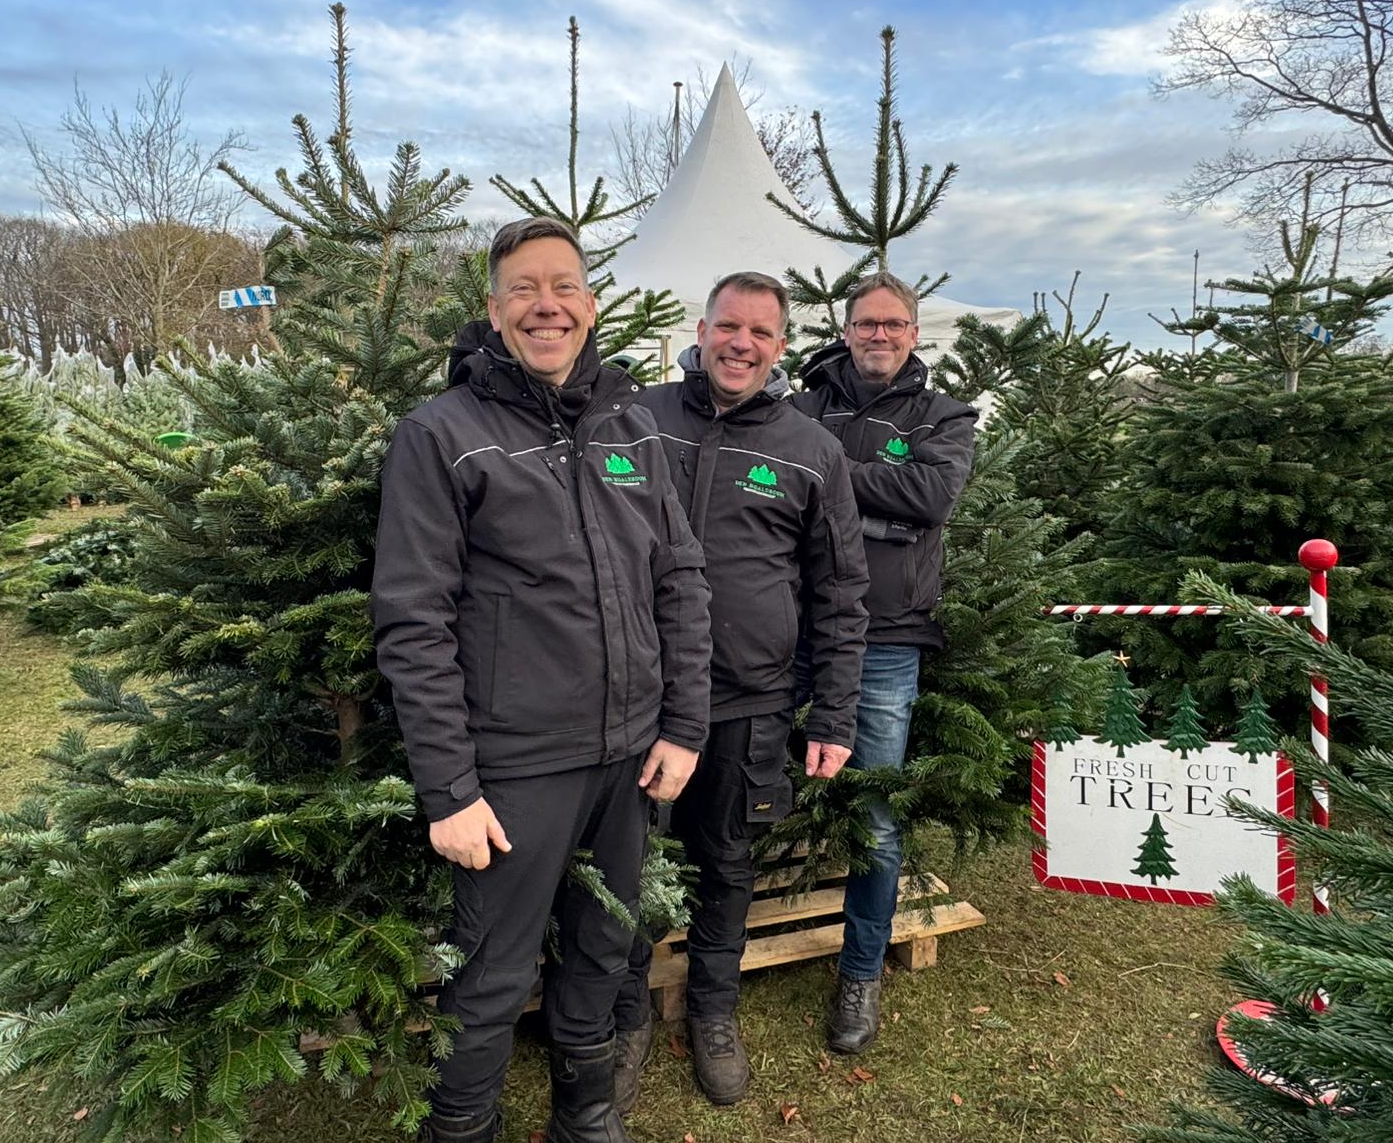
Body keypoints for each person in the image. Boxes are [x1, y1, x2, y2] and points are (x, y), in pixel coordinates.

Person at [371, 217, 714, 1143]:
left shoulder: (630, 425)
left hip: (632, 758)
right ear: (492, 309)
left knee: (603, 953)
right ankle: (461, 1129)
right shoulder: (443, 437)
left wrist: (684, 725)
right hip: (516, 766)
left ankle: (585, 1118)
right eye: (524, 289)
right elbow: (413, 619)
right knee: (488, 975)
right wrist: (449, 789)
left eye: (563, 286)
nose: (546, 305)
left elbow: (678, 578)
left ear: (590, 304)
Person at [611, 271, 869, 1109]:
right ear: (702, 327)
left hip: (747, 703)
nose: (741, 344)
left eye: (761, 332)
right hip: (633, 699)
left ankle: (714, 1011)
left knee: (725, 864)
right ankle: (626, 1013)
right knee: (625, 863)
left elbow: (839, 590)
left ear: (782, 345)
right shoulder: (637, 416)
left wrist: (831, 711)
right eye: (729, 326)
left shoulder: (810, 450)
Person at [789, 270, 978, 1055]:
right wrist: (875, 493)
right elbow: (763, 480)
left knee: (873, 811)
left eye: (893, 324)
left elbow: (931, 496)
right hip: (789, 626)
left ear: (913, 332)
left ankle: (860, 970)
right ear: (846, 327)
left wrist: (827, 476)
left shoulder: (943, 415)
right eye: (866, 323)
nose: (878, 335)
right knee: (740, 788)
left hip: (888, 635)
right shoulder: (803, 404)